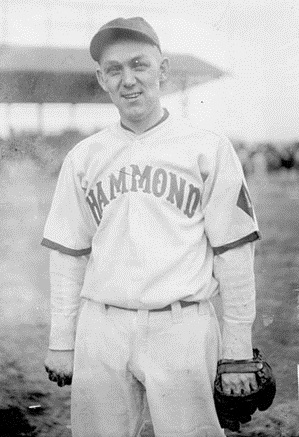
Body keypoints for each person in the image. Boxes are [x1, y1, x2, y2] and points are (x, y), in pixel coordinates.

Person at [43, 16, 261, 437]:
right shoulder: (84, 156)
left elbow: (233, 252)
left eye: (139, 65)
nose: (128, 80)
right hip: (101, 327)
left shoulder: (208, 148)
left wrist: (236, 351)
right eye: (114, 69)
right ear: (102, 80)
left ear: (162, 71)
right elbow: (69, 253)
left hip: (181, 325)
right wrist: (61, 340)